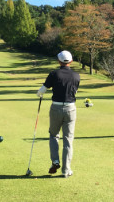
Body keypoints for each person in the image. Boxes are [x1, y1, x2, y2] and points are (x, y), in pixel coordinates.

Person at [37, 50, 80, 178]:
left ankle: (55, 161)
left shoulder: (53, 74)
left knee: (54, 135)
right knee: (68, 140)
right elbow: (74, 92)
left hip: (56, 108)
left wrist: (39, 94)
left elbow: (42, 90)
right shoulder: (76, 76)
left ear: (59, 61)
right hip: (71, 109)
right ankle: (66, 170)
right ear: (71, 61)